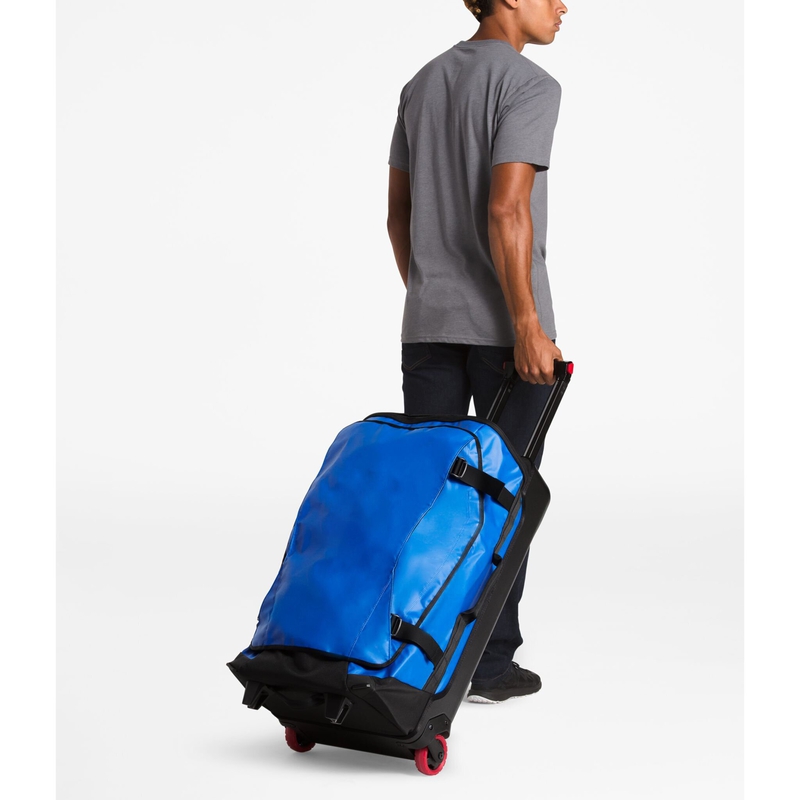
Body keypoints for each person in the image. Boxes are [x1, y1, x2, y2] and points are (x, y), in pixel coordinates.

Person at [385, 0, 569, 704]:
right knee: (502, 497)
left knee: (431, 494)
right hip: (505, 336)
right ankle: (487, 664)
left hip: (427, 326)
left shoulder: (422, 82)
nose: (562, 6)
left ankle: (412, 656)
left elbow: (398, 212)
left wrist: (431, 291)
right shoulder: (528, 84)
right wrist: (526, 324)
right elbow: (506, 207)